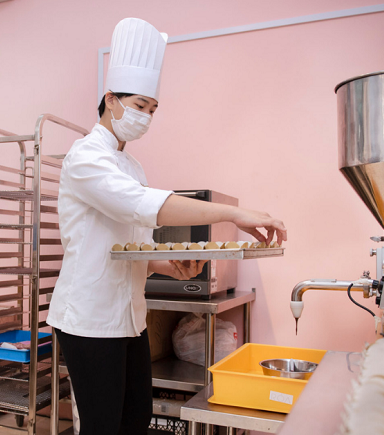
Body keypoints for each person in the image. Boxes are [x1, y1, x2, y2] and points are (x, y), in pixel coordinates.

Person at [46, 17, 287, 435]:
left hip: (130, 317)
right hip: (87, 318)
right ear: (111, 99)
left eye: (152, 110)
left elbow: (130, 242)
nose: (145, 117)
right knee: (103, 426)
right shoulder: (84, 158)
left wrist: (166, 265)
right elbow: (141, 206)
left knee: (135, 419)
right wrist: (234, 213)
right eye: (139, 106)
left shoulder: (132, 164)